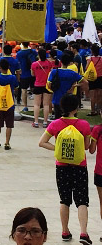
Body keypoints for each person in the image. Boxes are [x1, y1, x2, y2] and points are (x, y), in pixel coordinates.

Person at [39, 94, 92, 243]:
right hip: (80, 166)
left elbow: (42, 142)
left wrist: (58, 148)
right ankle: (83, 233)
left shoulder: (55, 124)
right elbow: (86, 147)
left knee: (64, 200)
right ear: (76, 108)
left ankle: (65, 231)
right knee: (82, 200)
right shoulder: (84, 124)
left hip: (62, 167)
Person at [46, 53, 86, 119]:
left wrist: (54, 89)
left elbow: (49, 85)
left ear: (61, 62)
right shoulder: (72, 73)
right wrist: (74, 86)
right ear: (69, 63)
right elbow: (85, 82)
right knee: (70, 118)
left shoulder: (54, 72)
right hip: (69, 99)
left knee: (58, 119)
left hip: (57, 98)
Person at [0, 59, 19, 150]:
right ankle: (7, 143)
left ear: (0, 67)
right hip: (10, 104)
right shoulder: (13, 77)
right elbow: (16, 88)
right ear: (8, 67)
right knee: (9, 125)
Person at [31, 48, 54, 128]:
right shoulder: (49, 63)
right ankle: (45, 122)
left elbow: (33, 74)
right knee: (46, 104)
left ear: (38, 55)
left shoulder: (34, 64)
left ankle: (36, 122)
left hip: (38, 84)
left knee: (36, 104)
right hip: (47, 85)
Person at [86, 44, 102, 116]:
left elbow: (86, 68)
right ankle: (99, 110)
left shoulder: (90, 59)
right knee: (99, 95)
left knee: (92, 95)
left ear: (92, 51)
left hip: (92, 78)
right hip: (100, 78)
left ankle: (93, 110)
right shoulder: (101, 59)